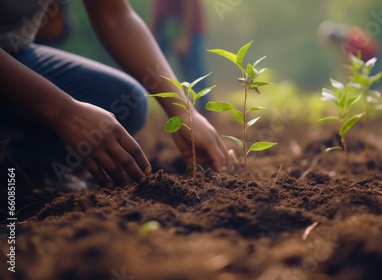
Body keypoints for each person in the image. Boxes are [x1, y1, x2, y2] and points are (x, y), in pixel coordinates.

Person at [0, 0, 232, 189]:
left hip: (18, 54)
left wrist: (184, 111)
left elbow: (115, 16)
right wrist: (63, 112)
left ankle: (20, 173)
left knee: (124, 100)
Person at [149, 0, 210, 114]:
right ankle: (181, 104)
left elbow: (189, 9)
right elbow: (157, 13)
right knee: (180, 68)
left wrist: (184, 38)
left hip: (191, 29)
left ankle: (204, 106)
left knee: (194, 68)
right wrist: (150, 39)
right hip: (171, 27)